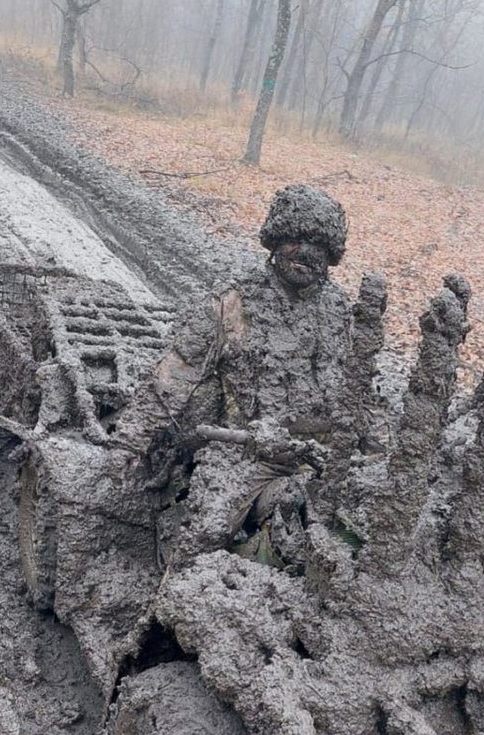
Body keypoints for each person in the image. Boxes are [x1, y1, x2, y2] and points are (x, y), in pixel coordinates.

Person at [131, 184, 356, 569]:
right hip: (243, 455)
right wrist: (130, 444)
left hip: (322, 458)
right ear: (275, 240)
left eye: (319, 246)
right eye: (296, 239)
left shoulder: (340, 314)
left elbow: (361, 392)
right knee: (200, 544)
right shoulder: (234, 303)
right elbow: (173, 376)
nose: (306, 252)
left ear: (331, 257)